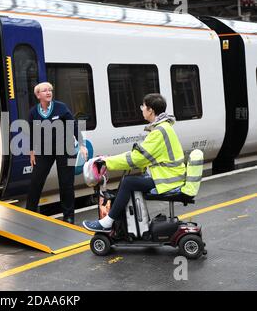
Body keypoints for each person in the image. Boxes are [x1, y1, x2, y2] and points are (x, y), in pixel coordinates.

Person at [83, 93, 186, 232]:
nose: (141, 109)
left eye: (143, 106)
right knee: (131, 181)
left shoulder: (159, 131)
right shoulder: (164, 127)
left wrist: (108, 162)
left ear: (150, 110)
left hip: (167, 179)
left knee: (128, 182)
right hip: (170, 176)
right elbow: (142, 155)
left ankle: (108, 222)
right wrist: (110, 159)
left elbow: (138, 158)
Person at [26, 82, 88, 224]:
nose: (48, 92)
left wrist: (82, 144)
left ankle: (68, 216)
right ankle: (29, 212)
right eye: (45, 91)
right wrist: (31, 151)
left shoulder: (61, 107)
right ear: (38, 95)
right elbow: (31, 133)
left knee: (66, 182)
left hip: (66, 148)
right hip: (44, 149)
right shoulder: (33, 112)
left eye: (50, 90)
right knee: (36, 180)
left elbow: (73, 125)